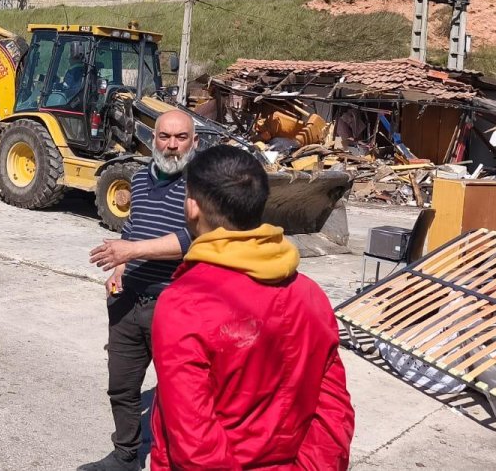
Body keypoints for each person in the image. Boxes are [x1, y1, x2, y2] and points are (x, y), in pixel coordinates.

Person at [149, 146, 354, 470]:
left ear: (191, 207)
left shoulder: (183, 305)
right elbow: (333, 412)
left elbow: (197, 448)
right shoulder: (310, 295)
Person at [80, 110, 197, 471]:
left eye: (180, 138)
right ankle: (126, 455)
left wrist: (130, 252)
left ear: (194, 141)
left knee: (179, 394)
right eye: (165, 136)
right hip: (128, 298)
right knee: (122, 385)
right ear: (153, 138)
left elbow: (195, 239)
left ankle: (175, 460)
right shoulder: (141, 177)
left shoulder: (201, 183)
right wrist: (119, 266)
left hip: (172, 300)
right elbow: (133, 228)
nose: (172, 145)